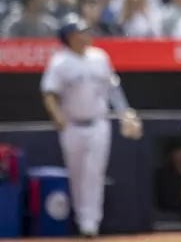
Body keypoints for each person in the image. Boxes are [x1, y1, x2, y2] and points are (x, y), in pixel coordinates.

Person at [40, 13, 143, 238]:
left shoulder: (99, 57)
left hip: (99, 123)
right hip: (72, 125)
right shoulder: (60, 61)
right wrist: (56, 115)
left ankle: (91, 224)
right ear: (69, 36)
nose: (86, 35)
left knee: (95, 173)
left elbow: (112, 88)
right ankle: (82, 220)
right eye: (80, 31)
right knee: (77, 175)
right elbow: (49, 93)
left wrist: (125, 112)